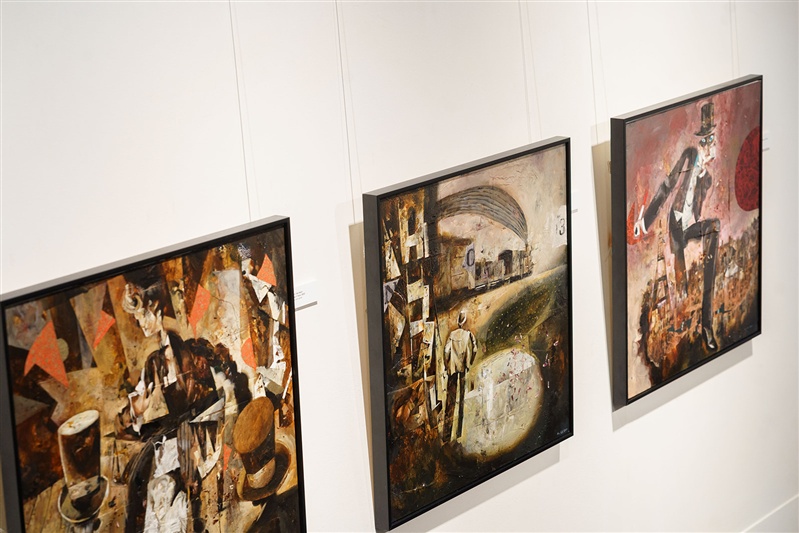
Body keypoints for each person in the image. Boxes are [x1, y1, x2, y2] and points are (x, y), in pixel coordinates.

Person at [633, 101, 721, 351]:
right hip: (677, 225)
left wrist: (702, 175)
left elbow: (698, 207)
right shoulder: (689, 155)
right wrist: (645, 221)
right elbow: (667, 186)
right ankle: (682, 323)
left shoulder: (708, 177)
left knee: (715, 226)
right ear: (701, 142)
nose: (710, 146)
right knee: (681, 285)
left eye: (712, 140)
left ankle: (706, 324)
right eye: (707, 141)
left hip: (692, 225)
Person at [442, 309, 477, 443]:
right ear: (465, 321)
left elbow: (446, 351)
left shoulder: (452, 334)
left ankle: (446, 434)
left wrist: (447, 365)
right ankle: (459, 432)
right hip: (463, 368)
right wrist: (470, 362)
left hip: (452, 368)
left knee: (450, 400)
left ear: (458, 322)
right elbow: (475, 349)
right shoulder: (468, 335)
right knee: (461, 399)